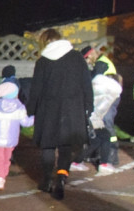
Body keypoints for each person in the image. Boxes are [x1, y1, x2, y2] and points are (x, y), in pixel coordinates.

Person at [26, 29, 93, 200]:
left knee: (48, 145)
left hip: (48, 109)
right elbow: (86, 83)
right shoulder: (76, 57)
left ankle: (47, 179)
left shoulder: (43, 61)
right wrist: (89, 105)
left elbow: (36, 89)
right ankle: (62, 177)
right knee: (66, 147)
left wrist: (31, 109)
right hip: (72, 108)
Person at [0, 82, 33, 190]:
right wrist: (35, 118)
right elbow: (25, 122)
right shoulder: (20, 108)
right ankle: (3, 176)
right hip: (11, 139)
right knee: (7, 158)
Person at [89, 62, 122, 174]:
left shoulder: (94, 84)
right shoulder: (109, 92)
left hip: (91, 118)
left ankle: (77, 161)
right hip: (96, 120)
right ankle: (104, 162)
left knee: (97, 139)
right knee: (104, 137)